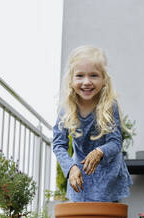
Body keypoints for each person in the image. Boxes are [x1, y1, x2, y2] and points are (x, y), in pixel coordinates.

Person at [53, 45, 133, 202]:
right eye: (80, 76)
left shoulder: (110, 106)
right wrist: (71, 168)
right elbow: (58, 144)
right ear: (71, 80)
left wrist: (99, 152)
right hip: (80, 175)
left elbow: (115, 143)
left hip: (108, 176)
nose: (86, 82)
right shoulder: (66, 109)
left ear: (104, 80)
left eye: (94, 75)